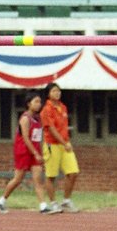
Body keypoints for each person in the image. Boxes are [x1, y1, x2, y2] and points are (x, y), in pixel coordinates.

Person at [0, 90, 53, 215]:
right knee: (18, 179)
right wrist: (35, 153)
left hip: (35, 149)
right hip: (23, 150)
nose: (39, 104)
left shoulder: (38, 118)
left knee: (38, 178)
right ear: (28, 104)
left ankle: (43, 206)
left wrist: (41, 151)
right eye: (36, 102)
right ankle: (2, 200)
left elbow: (38, 136)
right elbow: (26, 138)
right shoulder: (25, 119)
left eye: (40, 102)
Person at [41, 82, 80, 213]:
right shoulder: (46, 110)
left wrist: (66, 141)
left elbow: (63, 128)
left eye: (58, 91)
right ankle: (53, 203)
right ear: (48, 94)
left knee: (73, 172)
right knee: (51, 175)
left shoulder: (63, 107)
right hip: (52, 145)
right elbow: (51, 129)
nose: (57, 93)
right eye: (54, 91)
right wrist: (64, 143)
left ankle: (66, 201)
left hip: (65, 144)